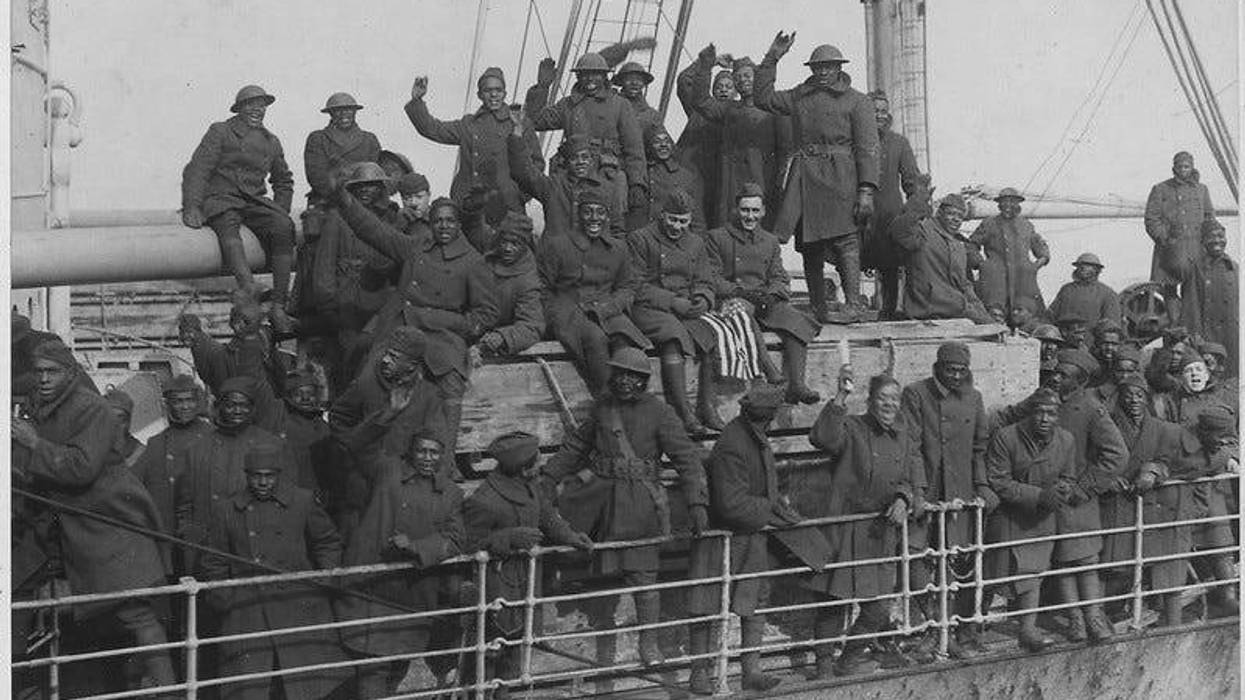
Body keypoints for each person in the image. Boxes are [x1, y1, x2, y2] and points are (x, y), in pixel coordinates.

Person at [11, 339, 176, 692]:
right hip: (67, 524)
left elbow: (82, 467)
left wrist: (33, 444)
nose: (43, 379)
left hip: (107, 521)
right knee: (30, 603)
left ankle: (169, 692)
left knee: (137, 613)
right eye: (38, 372)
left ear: (70, 373)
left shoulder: (91, 408)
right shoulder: (44, 405)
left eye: (52, 372)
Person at [540, 348, 709, 683]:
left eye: (633, 376)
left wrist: (697, 504)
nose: (625, 381)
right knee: (556, 537)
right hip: (600, 497)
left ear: (644, 381)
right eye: (619, 374)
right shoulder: (603, 407)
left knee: (643, 571)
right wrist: (547, 477)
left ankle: (649, 642)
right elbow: (576, 447)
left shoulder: (660, 412)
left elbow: (687, 459)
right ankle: (544, 619)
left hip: (638, 500)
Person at [337, 187, 498, 469]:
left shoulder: (472, 261)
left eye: (450, 221)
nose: (444, 226)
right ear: (431, 223)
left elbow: (486, 313)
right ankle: (357, 448)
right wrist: (344, 200)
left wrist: (453, 323)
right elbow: (376, 231)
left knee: (450, 385)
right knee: (368, 379)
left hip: (443, 337)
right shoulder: (416, 247)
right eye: (438, 221)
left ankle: (445, 462)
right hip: (400, 329)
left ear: (459, 224)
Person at [201, 444, 349, 700]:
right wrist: (225, 599)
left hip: (296, 603)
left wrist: (325, 576)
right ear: (246, 475)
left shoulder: (301, 500)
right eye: (256, 476)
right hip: (247, 607)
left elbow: (327, 541)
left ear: (278, 475)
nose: (262, 482)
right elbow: (213, 561)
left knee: (302, 682)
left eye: (269, 476)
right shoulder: (227, 509)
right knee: (254, 685)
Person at [803, 369, 922, 677]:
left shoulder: (904, 435)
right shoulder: (853, 427)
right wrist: (840, 397)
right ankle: (825, 664)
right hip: (845, 527)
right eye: (883, 398)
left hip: (879, 532)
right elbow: (822, 438)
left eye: (895, 399)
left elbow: (912, 478)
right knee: (833, 601)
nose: (889, 405)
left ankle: (849, 658)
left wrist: (903, 498)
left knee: (878, 607)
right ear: (870, 401)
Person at [754, 32, 880, 321]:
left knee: (846, 242)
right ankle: (817, 305)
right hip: (806, 178)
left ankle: (853, 304)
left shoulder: (858, 102)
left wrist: (866, 190)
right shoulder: (799, 96)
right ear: (811, 69)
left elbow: (868, 148)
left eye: (829, 66)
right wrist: (773, 56)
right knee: (809, 242)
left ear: (840, 68)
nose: (823, 72)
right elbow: (763, 98)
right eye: (817, 67)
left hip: (842, 180)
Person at [463, 432, 593, 699]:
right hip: (495, 587)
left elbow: (547, 515)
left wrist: (570, 536)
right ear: (523, 469)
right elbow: (466, 543)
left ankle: (504, 695)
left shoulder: (530, 487)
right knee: (488, 653)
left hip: (525, 583)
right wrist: (507, 538)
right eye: (536, 462)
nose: (540, 466)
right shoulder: (485, 500)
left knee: (515, 651)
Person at [338, 428, 465, 698]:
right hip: (373, 588)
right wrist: (387, 415)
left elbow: (455, 539)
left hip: (413, 592)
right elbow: (358, 443)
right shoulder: (388, 472)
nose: (427, 458)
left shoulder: (450, 492)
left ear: (442, 455)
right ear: (410, 452)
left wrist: (417, 547)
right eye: (421, 451)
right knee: (373, 665)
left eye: (434, 452)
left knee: (398, 664)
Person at [687, 384, 796, 694]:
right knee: (706, 602)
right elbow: (731, 504)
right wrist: (771, 507)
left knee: (755, 598)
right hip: (722, 537)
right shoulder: (734, 443)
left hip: (749, 534)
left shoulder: (752, 436)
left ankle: (751, 670)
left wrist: (773, 504)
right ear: (766, 417)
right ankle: (699, 673)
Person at [900, 342, 996, 660]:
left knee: (951, 564)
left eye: (961, 370)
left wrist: (980, 486)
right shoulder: (916, 394)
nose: (955, 376)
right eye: (950, 369)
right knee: (915, 559)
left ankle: (946, 632)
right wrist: (917, 490)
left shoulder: (974, 398)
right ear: (936, 367)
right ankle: (932, 624)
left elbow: (980, 448)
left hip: (959, 492)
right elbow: (911, 445)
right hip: (926, 491)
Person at [181, 85, 296, 335]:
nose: (258, 110)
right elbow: (198, 169)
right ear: (239, 108)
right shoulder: (221, 131)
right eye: (251, 105)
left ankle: (278, 304)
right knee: (228, 227)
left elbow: (283, 181)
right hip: (222, 196)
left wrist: (280, 210)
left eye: (262, 105)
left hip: (253, 200)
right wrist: (192, 206)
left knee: (283, 227)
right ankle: (247, 289)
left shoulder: (271, 141)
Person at [705, 182, 821, 403]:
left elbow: (779, 277)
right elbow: (712, 277)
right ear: (735, 210)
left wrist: (771, 295)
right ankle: (770, 372)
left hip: (764, 301)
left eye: (755, 211)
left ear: (763, 211)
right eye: (745, 210)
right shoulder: (717, 238)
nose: (750, 216)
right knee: (742, 311)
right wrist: (741, 292)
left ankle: (797, 384)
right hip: (734, 299)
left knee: (796, 320)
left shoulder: (769, 241)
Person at [1043, 348, 1128, 643]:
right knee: (1062, 561)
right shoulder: (1046, 402)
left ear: (1079, 381)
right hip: (1051, 497)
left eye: (1063, 375)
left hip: (1080, 501)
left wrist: (1085, 487)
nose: (1055, 378)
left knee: (1087, 562)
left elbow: (1117, 454)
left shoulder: (1090, 408)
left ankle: (1094, 617)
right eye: (1055, 373)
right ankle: (1076, 620)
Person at [327, 327, 448, 531]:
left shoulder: (429, 396)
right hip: (363, 486)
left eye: (394, 357)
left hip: (404, 488)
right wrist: (352, 451)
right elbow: (338, 419)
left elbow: (435, 442)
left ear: (411, 366)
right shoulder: (366, 385)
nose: (385, 361)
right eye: (387, 354)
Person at [985, 387, 1076, 651]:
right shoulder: (1006, 437)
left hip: (1042, 519)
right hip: (1010, 515)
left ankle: (1027, 627)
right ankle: (971, 627)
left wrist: (1063, 490)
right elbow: (998, 480)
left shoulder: (1066, 440)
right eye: (1039, 412)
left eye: (1051, 413)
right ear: (1030, 412)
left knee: (1034, 571)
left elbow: (1069, 476)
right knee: (994, 572)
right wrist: (1037, 495)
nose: (1044, 419)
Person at [175, 375, 292, 575]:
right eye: (230, 405)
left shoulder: (272, 445)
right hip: (206, 548)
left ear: (253, 408)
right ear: (220, 406)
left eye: (244, 405)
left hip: (255, 546)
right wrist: (189, 534)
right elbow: (184, 504)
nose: (238, 410)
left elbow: (287, 498)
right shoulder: (197, 449)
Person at [537, 190, 650, 397]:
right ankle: (606, 401)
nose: (594, 218)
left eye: (600, 212)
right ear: (578, 215)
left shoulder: (618, 248)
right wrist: (554, 313)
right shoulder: (559, 245)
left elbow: (627, 286)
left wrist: (612, 306)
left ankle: (628, 400)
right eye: (588, 212)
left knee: (623, 340)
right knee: (595, 338)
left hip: (607, 308)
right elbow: (543, 286)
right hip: (569, 308)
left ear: (607, 216)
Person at [1099, 375, 1190, 627]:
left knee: (1158, 560)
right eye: (1128, 395)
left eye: (1139, 395)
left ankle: (1161, 616)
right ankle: (1113, 614)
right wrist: (1108, 479)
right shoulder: (1107, 425)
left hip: (1152, 504)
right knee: (1118, 566)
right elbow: (1095, 459)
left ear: (1146, 398)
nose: (1134, 400)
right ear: (1120, 398)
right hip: (1119, 503)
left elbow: (1172, 460)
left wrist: (1153, 470)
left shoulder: (1162, 428)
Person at [628, 189, 721, 433]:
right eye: (672, 219)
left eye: (683, 221)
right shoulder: (641, 239)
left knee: (709, 335)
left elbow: (705, 280)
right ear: (662, 215)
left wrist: (703, 299)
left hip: (685, 307)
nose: (677, 227)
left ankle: (706, 407)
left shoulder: (695, 243)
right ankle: (683, 412)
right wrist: (672, 301)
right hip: (649, 307)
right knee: (672, 337)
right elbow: (634, 286)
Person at [309, 162, 406, 390]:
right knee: (349, 362)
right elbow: (324, 266)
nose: (365, 191)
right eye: (359, 186)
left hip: (381, 302)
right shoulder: (338, 219)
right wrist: (329, 306)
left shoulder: (392, 220)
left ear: (381, 188)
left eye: (371, 186)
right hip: (347, 303)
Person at [524, 52, 648, 226]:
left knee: (610, 227)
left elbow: (634, 149)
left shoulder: (620, 105)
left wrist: (637, 183)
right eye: (585, 74)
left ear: (604, 76)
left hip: (606, 177)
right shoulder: (567, 105)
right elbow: (535, 120)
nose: (590, 79)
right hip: (572, 177)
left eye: (596, 74)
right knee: (567, 224)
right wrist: (542, 87)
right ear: (578, 76)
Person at [682, 44, 791, 232]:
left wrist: (779, 183)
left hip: (762, 180)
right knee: (726, 229)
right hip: (729, 184)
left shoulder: (775, 111)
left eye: (747, 75)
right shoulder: (728, 109)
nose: (743, 80)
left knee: (758, 231)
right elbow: (702, 102)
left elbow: (785, 151)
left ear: (758, 78)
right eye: (738, 77)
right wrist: (706, 65)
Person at [407, 68, 524, 223]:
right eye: (488, 90)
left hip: (505, 208)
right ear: (480, 95)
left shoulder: (517, 122)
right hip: (467, 207)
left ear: (505, 94)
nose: (494, 95)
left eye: (498, 90)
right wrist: (417, 101)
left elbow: (535, 164)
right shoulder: (468, 124)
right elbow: (433, 129)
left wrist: (515, 195)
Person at [130, 374, 213, 575]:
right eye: (178, 401)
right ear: (168, 404)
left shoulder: (214, 436)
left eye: (189, 400)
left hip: (206, 533)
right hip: (168, 535)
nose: (185, 407)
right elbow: (131, 484)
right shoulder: (156, 443)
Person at [1172, 406, 1239, 616]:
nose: (1223, 443)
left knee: (1221, 540)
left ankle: (1228, 596)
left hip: (1212, 499)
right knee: (1177, 550)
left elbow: (1229, 447)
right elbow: (1188, 466)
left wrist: (1230, 457)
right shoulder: (1182, 438)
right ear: (1206, 431)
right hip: (1182, 500)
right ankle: (1174, 605)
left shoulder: (1219, 441)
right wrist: (1222, 458)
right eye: (1220, 438)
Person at [864, 90, 923, 319]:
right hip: (860, 210)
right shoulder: (853, 140)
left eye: (882, 111)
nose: (878, 115)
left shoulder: (899, 143)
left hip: (889, 212)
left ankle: (890, 308)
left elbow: (911, 180)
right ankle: (855, 305)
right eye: (873, 111)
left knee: (890, 264)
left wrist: (915, 209)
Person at [891, 193, 993, 323]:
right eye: (951, 213)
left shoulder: (958, 246)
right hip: (926, 306)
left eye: (960, 216)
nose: (956, 219)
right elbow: (899, 230)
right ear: (939, 213)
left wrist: (982, 313)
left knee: (987, 323)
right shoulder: (922, 231)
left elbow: (964, 285)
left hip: (953, 307)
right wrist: (918, 197)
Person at [508, 122, 621, 239]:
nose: (580, 162)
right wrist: (516, 136)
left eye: (585, 157)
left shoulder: (607, 189)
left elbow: (617, 230)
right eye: (574, 158)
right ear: (567, 163)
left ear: (592, 160)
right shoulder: (553, 187)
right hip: (557, 253)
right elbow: (523, 173)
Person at [1145, 151, 1218, 308]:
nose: (1183, 170)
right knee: (1169, 288)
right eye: (1180, 166)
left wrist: (1210, 242)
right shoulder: (1160, 189)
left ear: (1192, 168)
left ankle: (1191, 326)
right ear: (1174, 168)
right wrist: (1165, 238)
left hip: (1196, 247)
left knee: (1195, 289)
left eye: (1187, 166)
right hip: (1170, 248)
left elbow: (1209, 217)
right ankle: (1174, 326)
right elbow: (1151, 219)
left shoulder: (1202, 189)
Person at [302, 91, 382, 231]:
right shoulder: (318, 139)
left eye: (349, 109)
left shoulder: (369, 140)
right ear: (330, 113)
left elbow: (376, 176)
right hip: (328, 202)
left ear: (355, 112)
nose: (344, 114)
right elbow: (317, 178)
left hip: (364, 201)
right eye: (338, 111)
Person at [473, 212, 547, 359]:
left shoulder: (528, 279)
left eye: (515, 244)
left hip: (500, 344)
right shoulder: (484, 264)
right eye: (504, 242)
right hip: (473, 331)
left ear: (525, 245)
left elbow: (531, 326)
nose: (507, 248)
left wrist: (502, 336)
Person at [969, 187, 1050, 316]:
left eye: (1012, 202)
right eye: (1004, 202)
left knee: (1025, 314)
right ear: (999, 204)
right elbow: (971, 245)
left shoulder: (1026, 225)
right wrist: (983, 265)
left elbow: (1040, 247)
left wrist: (1033, 267)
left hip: (1022, 280)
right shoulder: (989, 223)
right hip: (995, 281)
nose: (1008, 205)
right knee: (995, 312)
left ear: (1018, 204)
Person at [675, 65, 735, 227]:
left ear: (736, 92)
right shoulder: (700, 109)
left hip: (721, 176)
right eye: (719, 87)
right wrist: (709, 61)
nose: (723, 90)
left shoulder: (738, 114)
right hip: (695, 172)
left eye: (729, 87)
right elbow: (684, 80)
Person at [1181, 220, 1237, 374]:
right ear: (1203, 241)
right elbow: (1190, 307)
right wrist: (1196, 338)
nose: (1218, 240)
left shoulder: (1234, 267)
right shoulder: (1195, 268)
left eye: (1221, 236)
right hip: (1209, 337)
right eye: (1212, 237)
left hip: (1232, 336)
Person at [266, 368, 330, 495]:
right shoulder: (278, 417)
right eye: (298, 394)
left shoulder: (323, 427)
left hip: (313, 496)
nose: (305, 398)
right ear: (289, 396)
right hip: (283, 492)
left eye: (310, 394)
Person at [641, 125, 706, 233]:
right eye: (657, 141)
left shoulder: (686, 177)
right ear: (648, 146)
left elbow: (697, 221)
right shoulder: (639, 173)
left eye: (667, 141)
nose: (663, 145)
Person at [1153, 354, 1236, 432]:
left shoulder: (1217, 402)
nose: (1194, 373)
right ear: (1181, 378)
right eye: (1188, 371)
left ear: (1207, 376)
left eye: (1199, 370)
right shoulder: (1170, 401)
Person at [1048, 253, 1122, 327]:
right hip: (1065, 336)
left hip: (1092, 337)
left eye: (1088, 265)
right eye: (1080, 265)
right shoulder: (1066, 290)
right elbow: (1051, 316)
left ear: (1097, 269)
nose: (1083, 267)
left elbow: (1112, 327)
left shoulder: (1107, 293)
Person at [611, 61, 664, 138]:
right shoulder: (610, 106)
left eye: (639, 79)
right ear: (621, 81)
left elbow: (660, 142)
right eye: (629, 79)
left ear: (644, 83)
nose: (635, 82)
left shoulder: (651, 116)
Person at [104, 388, 144, 465]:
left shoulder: (142, 454)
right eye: (110, 418)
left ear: (128, 422)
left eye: (121, 419)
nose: (115, 425)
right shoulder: (89, 452)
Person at [1088, 319, 1125, 388]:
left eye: (1114, 344)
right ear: (1097, 343)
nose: (1109, 347)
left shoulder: (1122, 364)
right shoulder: (1089, 363)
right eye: (1105, 343)